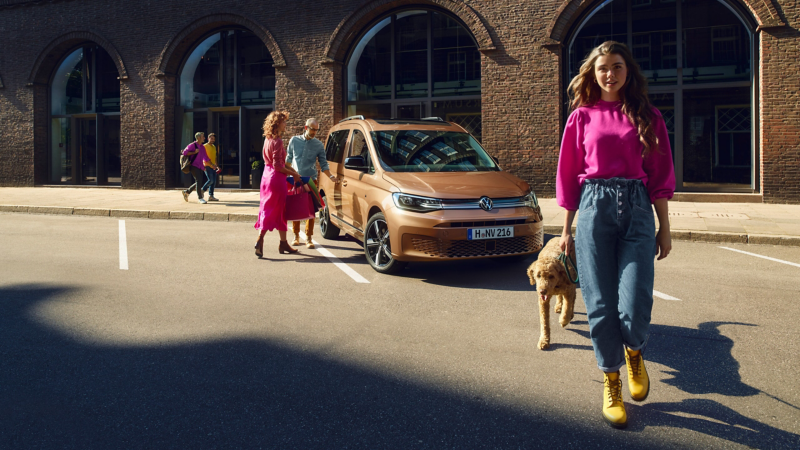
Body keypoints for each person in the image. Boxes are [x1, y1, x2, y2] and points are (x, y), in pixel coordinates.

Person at [556, 41, 675, 429]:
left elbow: (660, 174)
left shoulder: (648, 115)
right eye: (603, 67)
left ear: (629, 71)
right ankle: (611, 381)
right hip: (593, 208)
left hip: (638, 207)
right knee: (600, 304)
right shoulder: (581, 117)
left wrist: (665, 229)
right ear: (593, 72)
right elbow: (568, 176)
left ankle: (635, 352)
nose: (610, 73)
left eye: (617, 66)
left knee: (636, 299)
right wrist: (566, 232)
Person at [253, 111, 304, 257]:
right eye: (283, 122)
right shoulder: (278, 141)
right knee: (277, 210)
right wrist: (294, 174)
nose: (285, 124)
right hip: (276, 179)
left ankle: (282, 243)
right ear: (277, 124)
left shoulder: (268, 139)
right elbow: (278, 166)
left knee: (270, 209)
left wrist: (293, 170)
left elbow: (274, 163)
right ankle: (261, 239)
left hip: (266, 177)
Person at [285, 118, 338, 249]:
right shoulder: (294, 141)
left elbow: (323, 164)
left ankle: (309, 238)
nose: (314, 132)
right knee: (296, 208)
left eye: (316, 130)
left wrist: (331, 176)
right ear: (305, 127)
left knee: (310, 209)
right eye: (312, 129)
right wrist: (286, 175)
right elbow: (288, 160)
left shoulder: (318, 145)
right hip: (296, 179)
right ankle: (296, 236)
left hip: (311, 179)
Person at [182, 132, 217, 204]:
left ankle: (187, 192)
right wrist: (194, 152)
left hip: (200, 166)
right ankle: (200, 198)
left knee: (199, 181)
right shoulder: (192, 145)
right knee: (199, 181)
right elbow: (184, 153)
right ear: (198, 138)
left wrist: (212, 165)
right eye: (203, 137)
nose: (204, 138)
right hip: (193, 166)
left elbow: (206, 157)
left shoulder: (202, 147)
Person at [202, 133, 220, 201]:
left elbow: (214, 157)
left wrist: (216, 166)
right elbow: (203, 157)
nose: (213, 140)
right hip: (207, 165)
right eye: (211, 138)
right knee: (211, 180)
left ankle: (211, 196)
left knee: (214, 181)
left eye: (214, 139)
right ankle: (202, 190)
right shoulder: (204, 146)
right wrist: (210, 164)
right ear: (208, 138)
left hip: (213, 166)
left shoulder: (214, 146)